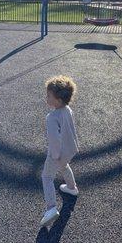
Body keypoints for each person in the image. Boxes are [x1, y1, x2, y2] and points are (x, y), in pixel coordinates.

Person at [40, 75, 80, 227]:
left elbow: (54, 140)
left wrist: (55, 155)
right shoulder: (68, 110)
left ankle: (51, 208)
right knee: (64, 166)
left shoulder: (51, 117)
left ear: (58, 99)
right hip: (70, 149)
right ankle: (72, 188)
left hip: (57, 153)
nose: (46, 98)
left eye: (48, 95)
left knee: (47, 177)